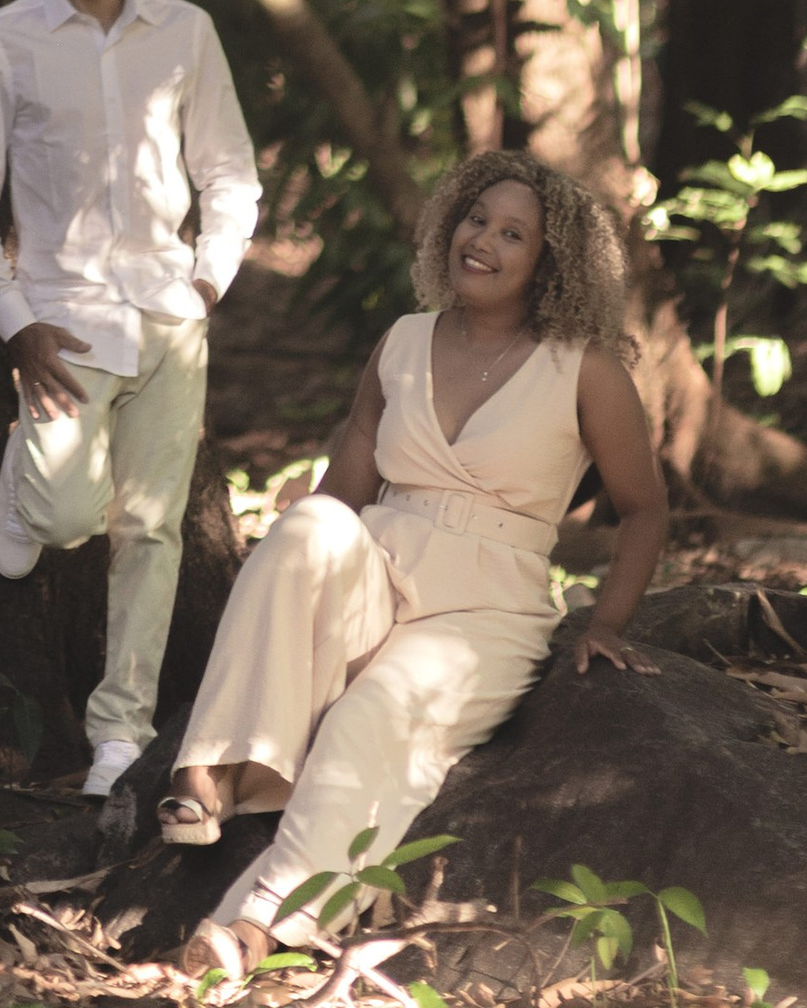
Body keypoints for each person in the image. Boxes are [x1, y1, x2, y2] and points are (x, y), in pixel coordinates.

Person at [159, 147, 668, 993]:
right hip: (381, 568)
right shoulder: (402, 341)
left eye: (514, 234)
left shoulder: (585, 368)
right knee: (309, 524)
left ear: (550, 264)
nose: (485, 242)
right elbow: (345, 494)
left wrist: (606, 623)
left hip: (484, 614)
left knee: (373, 723)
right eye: (477, 220)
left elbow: (645, 507)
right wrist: (301, 551)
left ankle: (251, 926)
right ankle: (204, 775)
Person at [0, 0, 262, 803]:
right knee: (69, 516)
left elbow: (230, 173)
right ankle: (25, 480)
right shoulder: (3, 41)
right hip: (62, 324)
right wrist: (12, 321)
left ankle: (120, 731)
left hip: (169, 317)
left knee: (152, 532)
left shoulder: (186, 32)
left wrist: (206, 285)